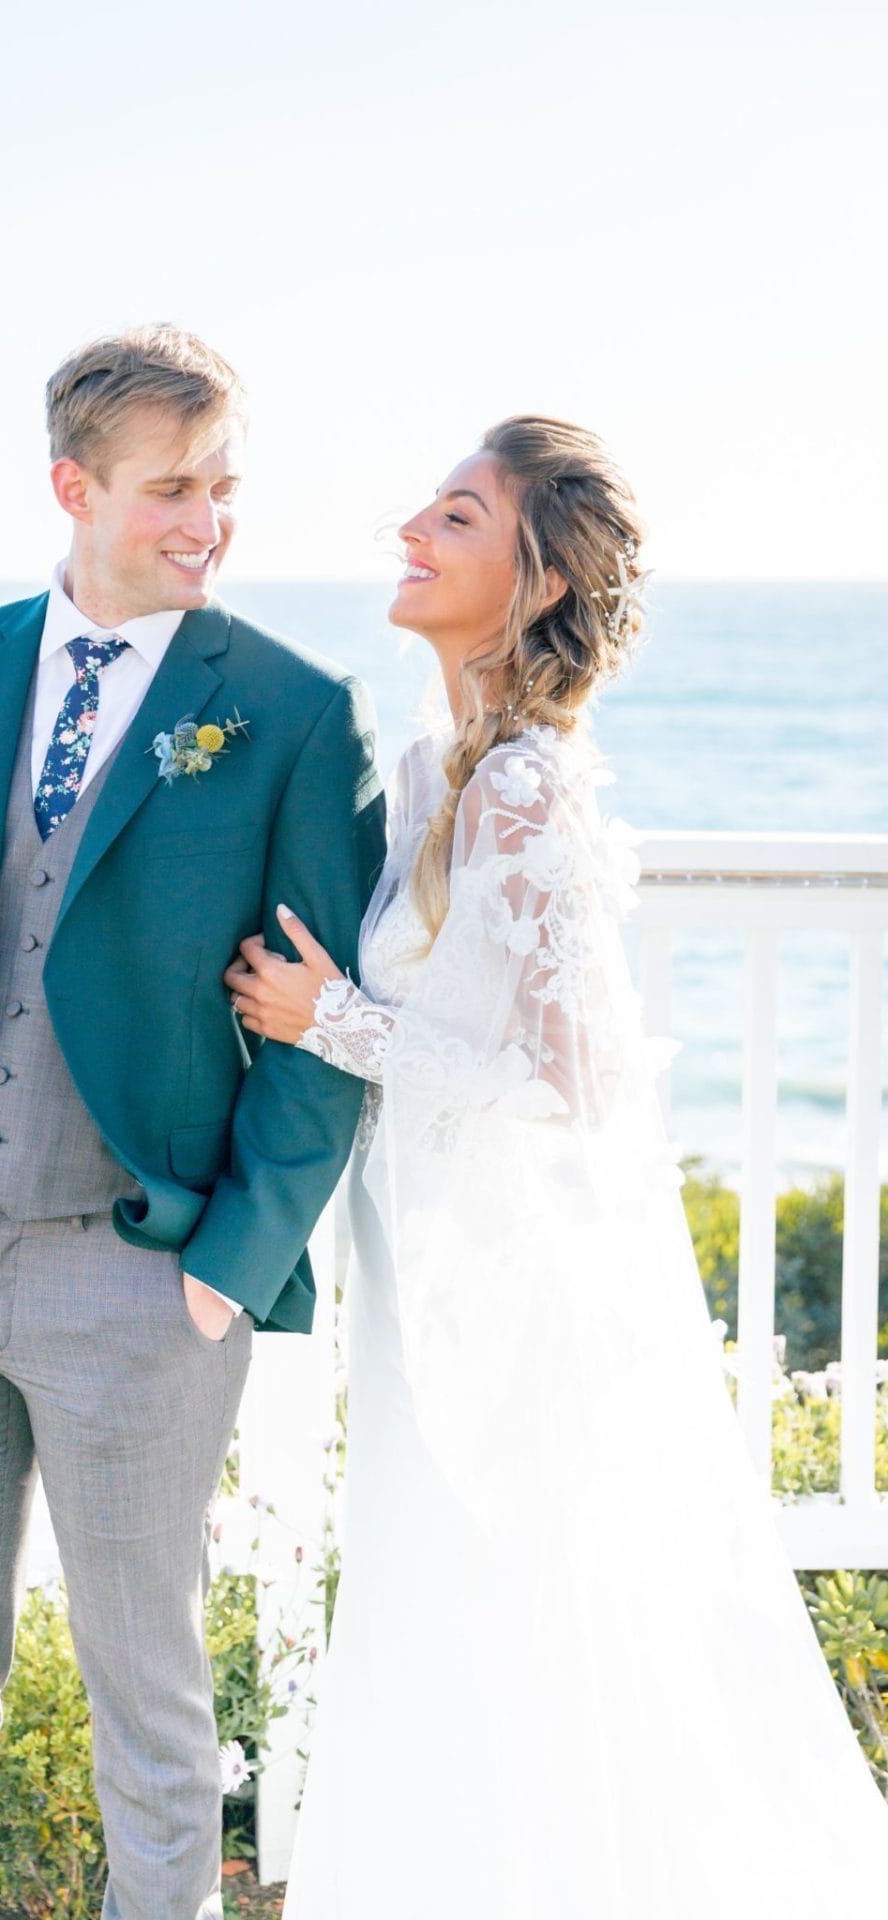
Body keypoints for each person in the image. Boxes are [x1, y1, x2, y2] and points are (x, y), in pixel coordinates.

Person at [226, 414, 888, 1915]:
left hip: (512, 1291)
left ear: (534, 581)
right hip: (429, 1265)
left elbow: (566, 1082)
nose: (412, 527)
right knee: (445, 1609)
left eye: (457, 518)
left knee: (515, 1615)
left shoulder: (523, 785)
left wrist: (329, 1017)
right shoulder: (433, 764)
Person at [0, 323, 386, 1920]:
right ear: (75, 487)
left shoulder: (292, 709)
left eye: (226, 488)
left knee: (149, 1695)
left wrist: (229, 1261)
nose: (209, 522)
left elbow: (327, 1027)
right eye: (172, 489)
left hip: (137, 1274)